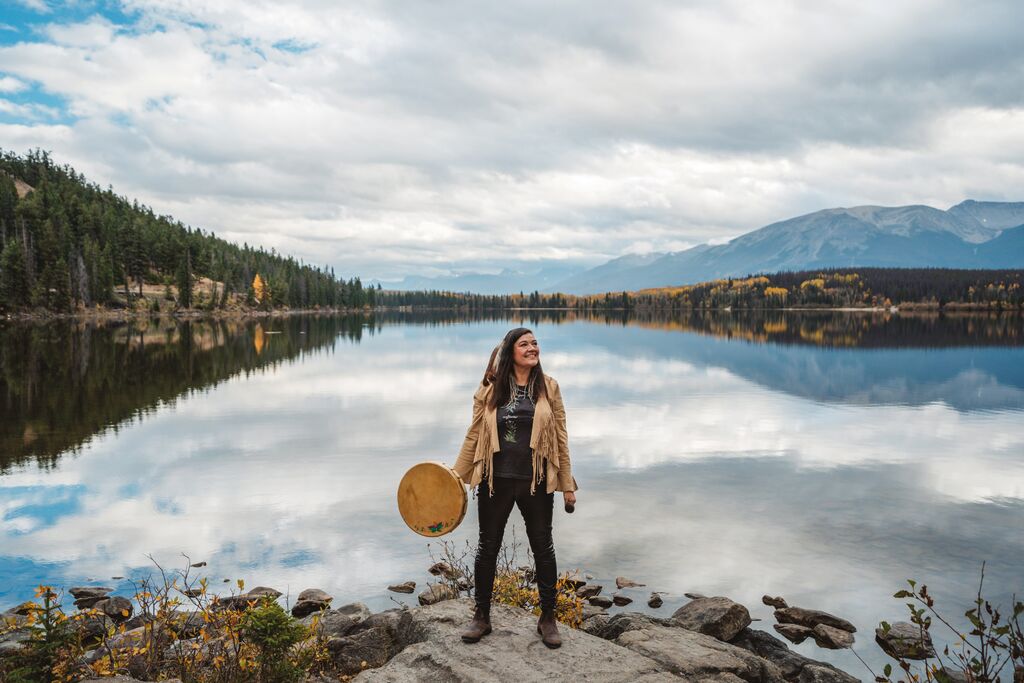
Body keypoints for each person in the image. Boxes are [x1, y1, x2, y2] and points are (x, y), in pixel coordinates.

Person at [452, 327, 578, 649]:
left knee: (543, 547)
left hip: (535, 481)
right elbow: (474, 433)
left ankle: (547, 617)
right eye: (524, 344)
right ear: (511, 352)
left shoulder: (549, 387)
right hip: (496, 480)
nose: (533, 348)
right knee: (487, 546)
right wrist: (455, 475)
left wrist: (566, 484)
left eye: (535, 343)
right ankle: (481, 616)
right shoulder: (490, 390)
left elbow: (561, 436)